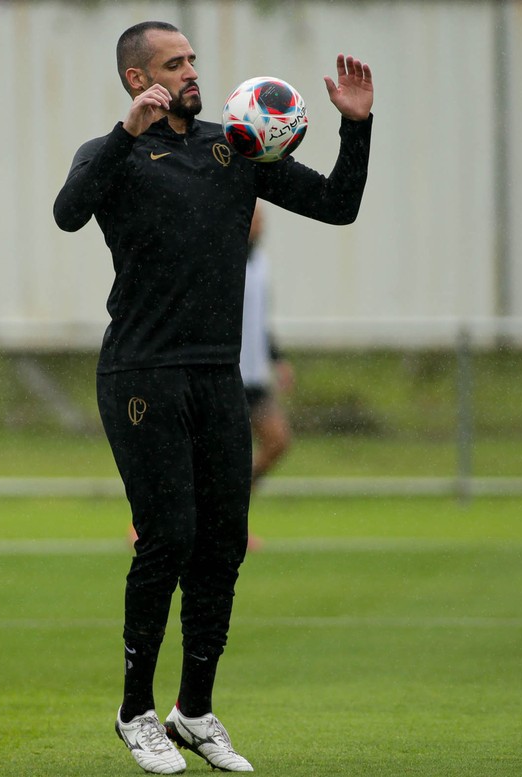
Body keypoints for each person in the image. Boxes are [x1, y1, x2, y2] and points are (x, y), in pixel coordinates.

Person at [53, 20, 373, 775]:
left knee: (222, 543)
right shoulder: (114, 155)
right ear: (139, 79)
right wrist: (121, 137)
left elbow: (337, 204)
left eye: (193, 57)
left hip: (215, 376)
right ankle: (136, 711)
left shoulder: (233, 148)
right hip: (140, 375)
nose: (193, 70)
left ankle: (194, 708)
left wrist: (355, 128)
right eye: (176, 62)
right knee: (165, 538)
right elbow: (69, 211)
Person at [241, 203, 294, 490]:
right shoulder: (222, 256)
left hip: (255, 376)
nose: (259, 224)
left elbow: (260, 321)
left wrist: (278, 360)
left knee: (278, 440)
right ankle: (149, 516)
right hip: (228, 373)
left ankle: (233, 508)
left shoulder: (261, 262)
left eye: (261, 219)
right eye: (253, 218)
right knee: (215, 455)